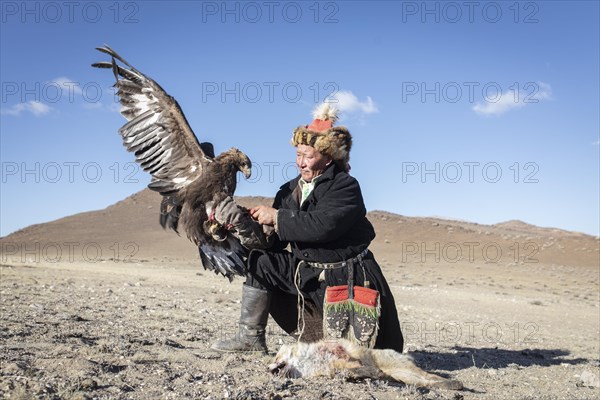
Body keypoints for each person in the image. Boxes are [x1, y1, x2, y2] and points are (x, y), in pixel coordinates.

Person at [210, 104, 404, 353]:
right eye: (298, 155)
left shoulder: (345, 187)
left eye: (308, 156)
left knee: (364, 355)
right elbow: (274, 243)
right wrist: (241, 224)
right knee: (262, 260)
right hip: (309, 274)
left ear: (328, 156)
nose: (301, 162)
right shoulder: (289, 190)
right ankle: (250, 339)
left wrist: (277, 217)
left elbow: (323, 226)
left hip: (348, 277)